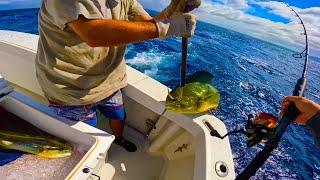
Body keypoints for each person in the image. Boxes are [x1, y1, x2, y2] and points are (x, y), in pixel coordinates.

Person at [35, 0, 201, 152]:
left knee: (119, 117)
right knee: (83, 143)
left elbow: (147, 25)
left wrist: (173, 8)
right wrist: (166, 28)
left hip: (109, 81)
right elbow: (93, 33)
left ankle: (118, 139)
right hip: (70, 90)